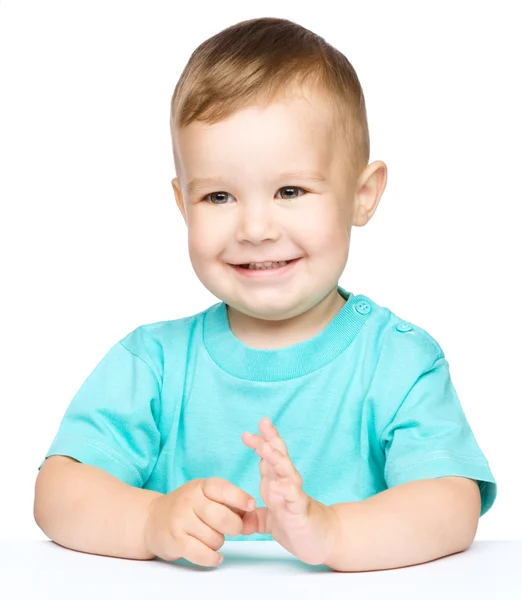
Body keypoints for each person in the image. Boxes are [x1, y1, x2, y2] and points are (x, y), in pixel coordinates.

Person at [33, 16, 497, 572]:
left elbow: (451, 504)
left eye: (290, 190)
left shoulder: (398, 362)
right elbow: (57, 493)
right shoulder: (152, 364)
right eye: (219, 196)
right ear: (183, 204)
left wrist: (334, 532)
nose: (255, 228)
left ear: (362, 195)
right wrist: (150, 520)